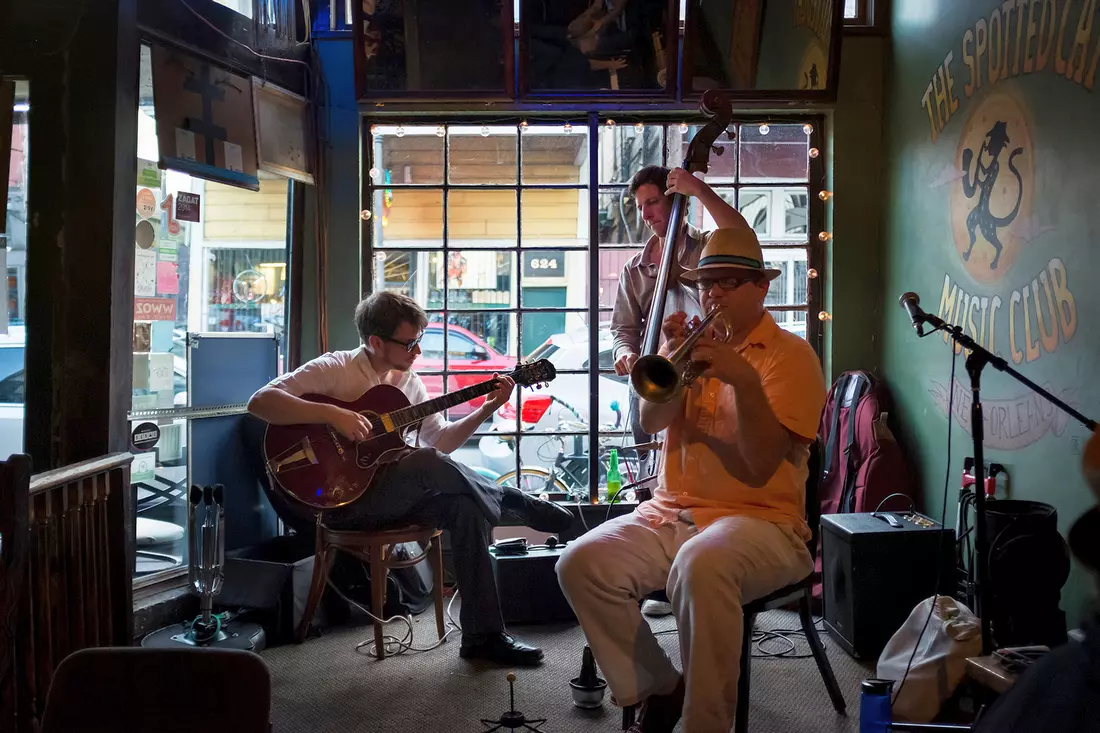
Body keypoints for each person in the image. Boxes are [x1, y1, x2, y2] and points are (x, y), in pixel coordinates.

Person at [557, 227, 828, 733]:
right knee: (579, 563)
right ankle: (661, 687)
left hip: (763, 523)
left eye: (727, 283)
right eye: (706, 284)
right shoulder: (694, 347)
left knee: (701, 564)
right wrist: (673, 360)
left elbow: (761, 465)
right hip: (670, 511)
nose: (713, 295)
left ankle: (704, 723)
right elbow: (652, 422)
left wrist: (739, 378)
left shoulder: (791, 356)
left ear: (760, 287)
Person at [247, 291, 574, 666]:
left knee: (465, 506)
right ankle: (510, 499)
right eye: (410, 343)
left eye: (419, 340)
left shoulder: (409, 384)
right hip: (341, 502)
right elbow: (260, 402)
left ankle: (484, 636)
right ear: (375, 342)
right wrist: (333, 416)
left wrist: (488, 408)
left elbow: (444, 443)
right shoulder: (335, 368)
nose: (418, 351)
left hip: (392, 496)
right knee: (424, 462)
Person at [610, 164, 750, 617]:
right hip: (658, 379)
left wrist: (697, 188)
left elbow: (739, 230)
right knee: (654, 481)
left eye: (653, 202)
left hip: (710, 370)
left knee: (707, 469)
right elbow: (622, 329)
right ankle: (658, 578)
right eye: (642, 206)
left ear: (674, 202)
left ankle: (707, 566)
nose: (647, 213)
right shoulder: (636, 267)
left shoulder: (708, 246)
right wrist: (626, 354)